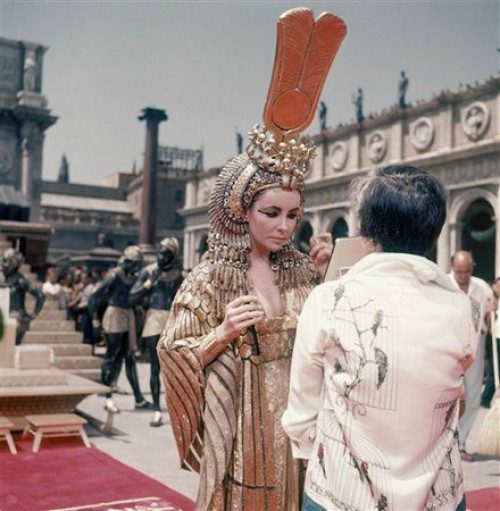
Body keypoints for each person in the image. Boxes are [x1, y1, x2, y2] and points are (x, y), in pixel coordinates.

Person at [158, 8, 346, 509]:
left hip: (303, 419)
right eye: (272, 213)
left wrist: (324, 278)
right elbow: (172, 351)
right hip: (246, 424)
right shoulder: (213, 276)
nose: (285, 227)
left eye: (293, 215)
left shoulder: (300, 269)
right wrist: (221, 334)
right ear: (242, 208)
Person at [283, 165, 479, 511]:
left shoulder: (329, 299)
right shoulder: (465, 309)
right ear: (434, 233)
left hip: (341, 494)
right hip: (438, 495)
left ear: (367, 234)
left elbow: (302, 411)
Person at [88, 246, 151, 413]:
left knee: (129, 357)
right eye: (135, 264)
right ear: (128, 261)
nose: (137, 267)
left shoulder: (133, 276)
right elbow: (94, 296)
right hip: (115, 314)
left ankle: (138, 398)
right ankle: (108, 397)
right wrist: (95, 320)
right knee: (113, 357)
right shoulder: (114, 275)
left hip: (128, 315)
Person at [130, 237, 183, 427]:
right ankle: (157, 410)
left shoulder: (179, 275)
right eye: (160, 251)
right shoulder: (149, 272)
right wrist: (148, 284)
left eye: (165, 253)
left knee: (174, 368)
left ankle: (176, 408)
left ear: (172, 256)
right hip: (154, 318)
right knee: (155, 366)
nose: (160, 256)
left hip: (174, 319)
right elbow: (133, 296)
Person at [448, 251, 494, 461]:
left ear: (472, 268)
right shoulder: (443, 285)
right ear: (451, 267)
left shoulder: (482, 287)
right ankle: (447, 442)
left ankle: (462, 443)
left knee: (474, 395)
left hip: (475, 344)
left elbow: (488, 317)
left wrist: (493, 311)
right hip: (450, 346)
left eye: (467, 271)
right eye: (459, 272)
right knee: (449, 394)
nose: (463, 276)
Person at [0, 248, 44, 344]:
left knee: (11, 347)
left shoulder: (21, 281)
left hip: (18, 319)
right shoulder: (3, 280)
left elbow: (40, 295)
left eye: (5, 262)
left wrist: (34, 313)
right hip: (5, 318)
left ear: (13, 264)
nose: (2, 265)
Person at [481, 276, 500, 408]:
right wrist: (491, 310)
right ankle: (486, 398)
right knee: (495, 370)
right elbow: (487, 322)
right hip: (494, 339)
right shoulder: (490, 301)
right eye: (498, 285)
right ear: (493, 286)